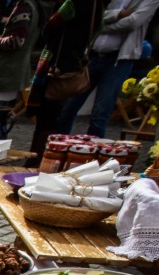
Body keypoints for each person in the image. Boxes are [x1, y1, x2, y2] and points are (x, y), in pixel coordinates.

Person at [56, 0, 159, 137]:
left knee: (100, 114)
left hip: (118, 61)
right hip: (91, 56)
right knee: (68, 107)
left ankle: (92, 155)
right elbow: (94, 14)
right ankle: (56, 148)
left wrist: (99, 25)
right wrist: (118, 14)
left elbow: (132, 22)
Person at [25, 0, 103, 166]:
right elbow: (98, 29)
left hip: (55, 66)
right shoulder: (97, 5)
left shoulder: (71, 4)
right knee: (54, 116)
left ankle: (37, 160)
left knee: (45, 118)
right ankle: (44, 159)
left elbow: (48, 29)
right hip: (72, 64)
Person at [0, 0, 42, 139]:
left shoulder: (25, 6)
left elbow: (16, 41)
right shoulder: (35, 6)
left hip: (4, 71)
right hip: (13, 72)